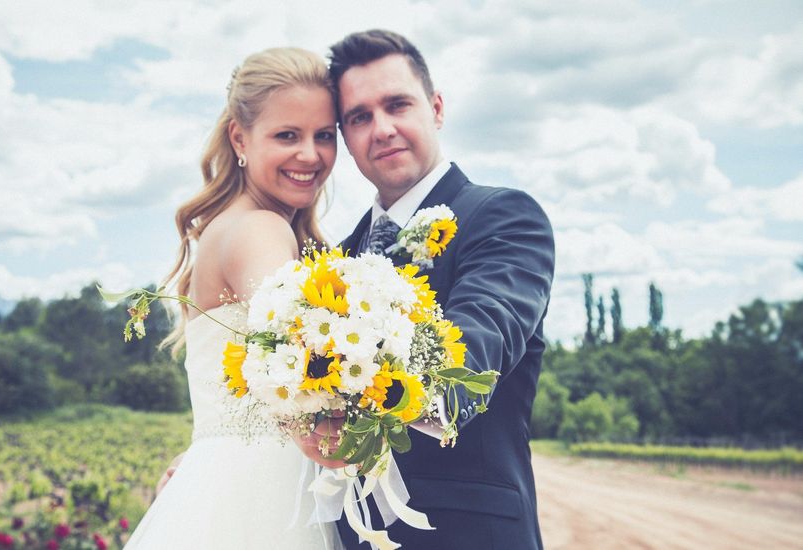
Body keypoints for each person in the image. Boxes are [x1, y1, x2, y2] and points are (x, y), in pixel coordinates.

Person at [299, 30, 555, 549]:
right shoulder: (333, 261)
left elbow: (478, 340)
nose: (383, 129)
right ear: (345, 137)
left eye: (398, 105)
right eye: (360, 117)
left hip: (465, 533)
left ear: (436, 108)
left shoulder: (503, 217)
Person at [123, 47, 343, 549]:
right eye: (287, 135)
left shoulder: (232, 227)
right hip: (264, 492)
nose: (310, 154)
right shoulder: (259, 230)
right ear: (240, 138)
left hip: (227, 477)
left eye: (324, 136)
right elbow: (300, 352)